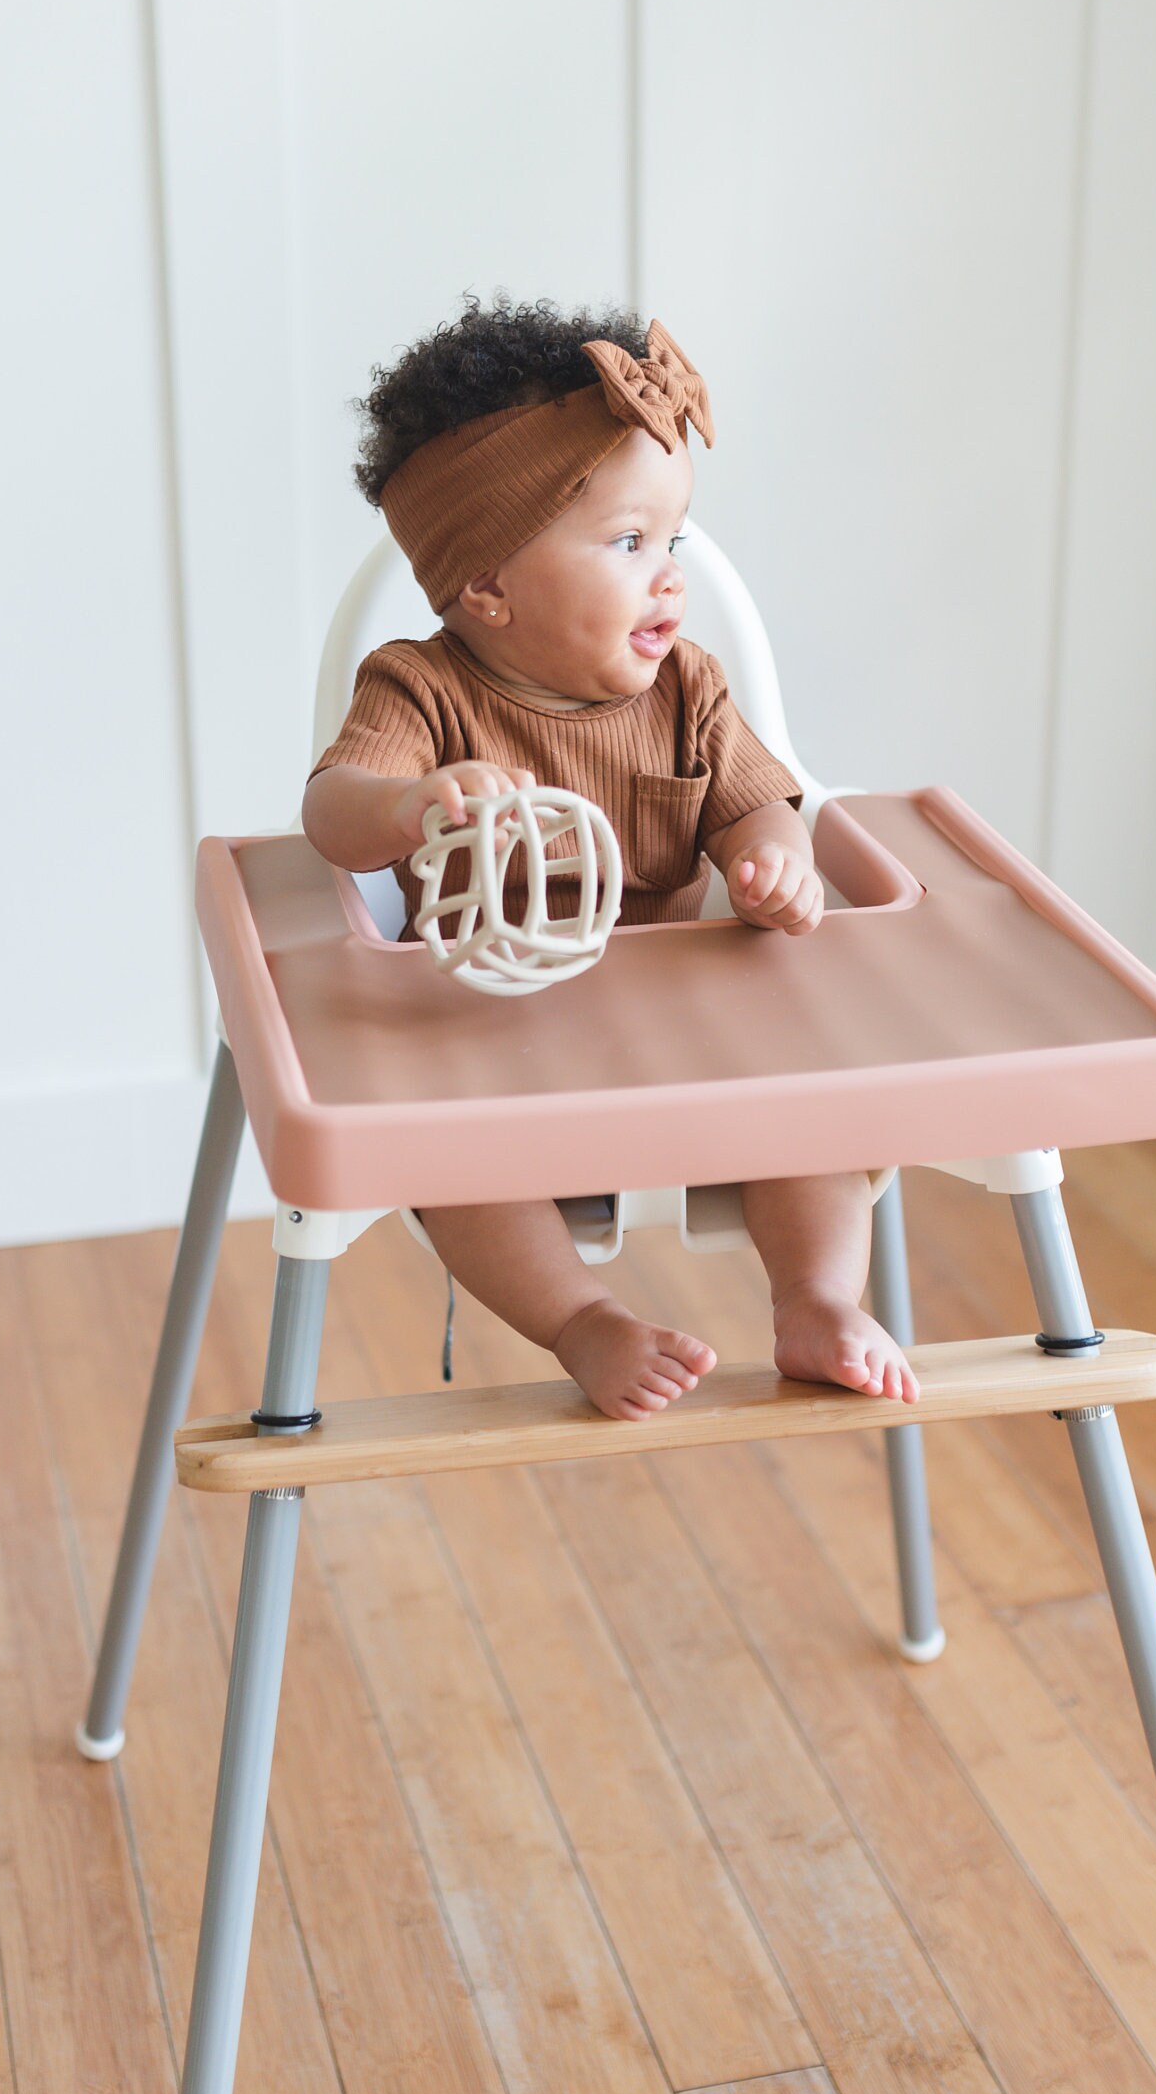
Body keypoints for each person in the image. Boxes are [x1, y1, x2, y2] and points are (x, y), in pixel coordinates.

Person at [304, 296, 919, 1424]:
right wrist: (409, 807)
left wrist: (771, 863)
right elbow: (331, 815)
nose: (669, 577)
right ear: (485, 586)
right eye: (629, 544)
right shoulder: (417, 686)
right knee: (451, 1169)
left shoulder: (689, 685)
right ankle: (583, 1323)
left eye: (673, 540)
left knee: (824, 1110)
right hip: (496, 1027)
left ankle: (816, 1300)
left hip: (692, 1027)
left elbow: (761, 808)